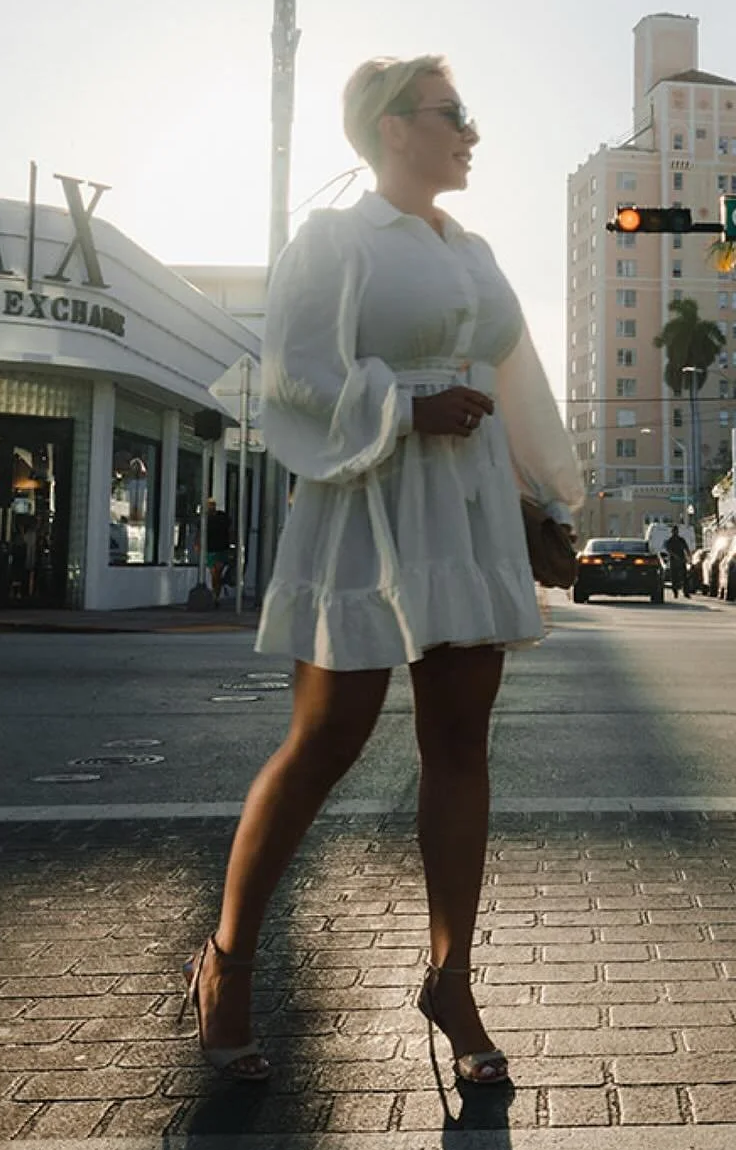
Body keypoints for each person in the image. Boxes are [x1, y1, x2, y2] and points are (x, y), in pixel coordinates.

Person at [181, 55, 583, 1084]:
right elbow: (292, 374)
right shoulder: (334, 240)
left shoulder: (478, 250)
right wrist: (405, 410)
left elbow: (514, 374)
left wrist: (547, 497)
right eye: (455, 113)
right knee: (325, 741)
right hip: (366, 502)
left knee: (462, 745)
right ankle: (227, 963)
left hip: (467, 508)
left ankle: (452, 979)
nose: (473, 132)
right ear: (393, 127)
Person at [204, 499, 233, 601]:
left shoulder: (222, 517)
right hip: (211, 549)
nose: (210, 507)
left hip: (221, 548)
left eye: (212, 505)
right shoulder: (205, 518)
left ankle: (216, 595)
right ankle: (215, 594)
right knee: (214, 573)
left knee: (217, 573)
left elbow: (229, 531)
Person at [664, 528, 690, 598]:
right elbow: (669, 550)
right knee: (674, 578)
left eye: (676, 531)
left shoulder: (681, 540)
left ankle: (686, 592)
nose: (675, 532)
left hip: (681, 560)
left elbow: (686, 548)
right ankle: (675, 593)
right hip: (673, 561)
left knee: (684, 577)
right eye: (674, 531)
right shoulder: (670, 541)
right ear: (672, 532)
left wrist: (689, 556)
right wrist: (675, 556)